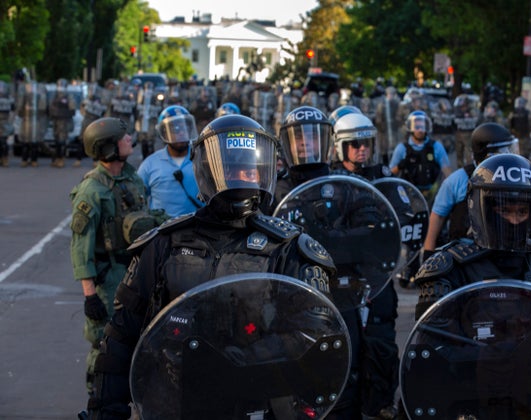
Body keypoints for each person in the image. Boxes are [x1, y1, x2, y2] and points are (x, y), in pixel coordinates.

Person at [85, 114, 337, 419]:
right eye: (232, 169)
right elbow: (121, 336)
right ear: (207, 170)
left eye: (250, 169)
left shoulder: (288, 247)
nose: (243, 177)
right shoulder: (164, 243)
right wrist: (105, 410)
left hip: (259, 401)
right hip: (171, 401)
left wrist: (241, 360)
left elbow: (316, 334)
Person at [413, 153, 531, 320]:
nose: (514, 221)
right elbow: (431, 339)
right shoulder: (451, 270)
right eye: (505, 211)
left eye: (522, 212)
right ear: (483, 211)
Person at [69, 117, 163, 397]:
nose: (130, 140)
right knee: (105, 341)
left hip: (136, 271)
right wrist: (90, 296)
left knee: (140, 335)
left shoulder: (130, 177)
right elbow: (80, 246)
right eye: (123, 137)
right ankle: (96, 396)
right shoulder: (92, 190)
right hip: (109, 278)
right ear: (108, 146)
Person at [329, 112, 398, 419]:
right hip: (342, 280)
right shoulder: (328, 183)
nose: (361, 149)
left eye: (366, 143)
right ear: (340, 147)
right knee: (345, 350)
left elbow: (404, 219)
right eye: (354, 144)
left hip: (378, 275)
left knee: (382, 343)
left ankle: (379, 403)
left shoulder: (384, 179)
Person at [421, 122, 519, 259]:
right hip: (464, 255)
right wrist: (428, 251)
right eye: (504, 151)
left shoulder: (515, 178)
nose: (509, 156)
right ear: (486, 155)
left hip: (506, 251)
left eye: (511, 150)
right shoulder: (458, 180)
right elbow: (438, 215)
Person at [137, 105, 202, 217]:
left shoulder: (203, 159)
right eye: (175, 129)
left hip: (199, 227)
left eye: (184, 128)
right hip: (163, 230)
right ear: (164, 132)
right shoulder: (150, 164)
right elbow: (137, 197)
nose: (181, 133)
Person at [389, 110, 452, 203]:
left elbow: (448, 173)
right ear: (410, 127)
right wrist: (399, 166)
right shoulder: (402, 148)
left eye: (423, 126)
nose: (420, 130)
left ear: (427, 127)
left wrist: (448, 193)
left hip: (433, 195)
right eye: (416, 126)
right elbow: (390, 175)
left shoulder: (436, 147)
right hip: (408, 195)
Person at [48, 78, 77, 168]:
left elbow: (73, 109)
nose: (60, 87)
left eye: (62, 85)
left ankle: (61, 159)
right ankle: (56, 158)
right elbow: (50, 106)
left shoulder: (68, 96)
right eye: (59, 85)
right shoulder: (54, 95)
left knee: (62, 141)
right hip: (56, 121)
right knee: (56, 140)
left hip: (64, 121)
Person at [452, 93, 480, 168]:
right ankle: (460, 168)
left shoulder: (471, 110)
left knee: (468, 152)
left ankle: (469, 168)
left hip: (468, 133)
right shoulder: (458, 110)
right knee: (459, 152)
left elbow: (475, 118)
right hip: (459, 132)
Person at [508, 96, 531, 161]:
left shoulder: (512, 113)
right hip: (524, 141)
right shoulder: (529, 114)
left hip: (514, 139)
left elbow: (507, 125)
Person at [0, 80, 15, 167]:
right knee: (3, 141)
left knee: (3, 141)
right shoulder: (9, 98)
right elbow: (13, 108)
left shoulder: (9, 98)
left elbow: (13, 108)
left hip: (4, 122)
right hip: (5, 122)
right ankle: (4, 158)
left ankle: (4, 158)